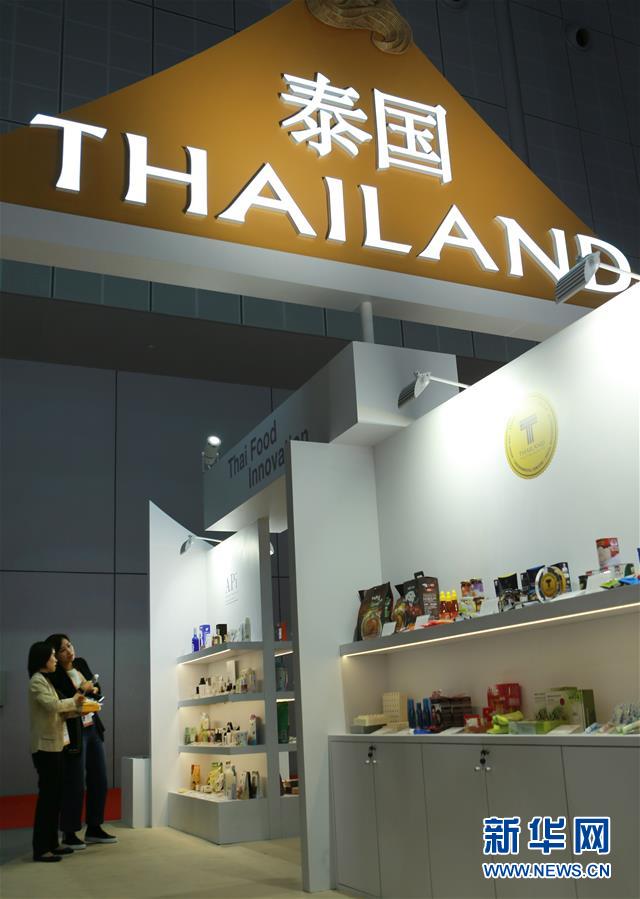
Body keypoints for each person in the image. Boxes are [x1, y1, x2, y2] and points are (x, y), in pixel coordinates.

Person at [46, 634, 117, 848]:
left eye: (70, 645)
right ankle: (69, 832)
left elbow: (97, 688)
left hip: (92, 726)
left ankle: (94, 827)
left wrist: (94, 690)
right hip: (73, 730)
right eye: (63, 650)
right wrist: (84, 689)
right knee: (74, 782)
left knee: (100, 779)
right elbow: (66, 700)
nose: (69, 651)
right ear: (55, 655)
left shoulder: (81, 664)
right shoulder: (55, 673)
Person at [28, 641, 85, 862]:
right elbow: (53, 706)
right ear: (43, 659)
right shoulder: (37, 681)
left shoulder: (45, 680)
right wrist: (75, 700)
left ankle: (52, 843)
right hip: (45, 747)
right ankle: (41, 848)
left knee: (55, 797)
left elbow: (57, 711)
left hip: (55, 745)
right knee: (48, 799)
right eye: (52, 656)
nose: (55, 660)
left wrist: (76, 710)